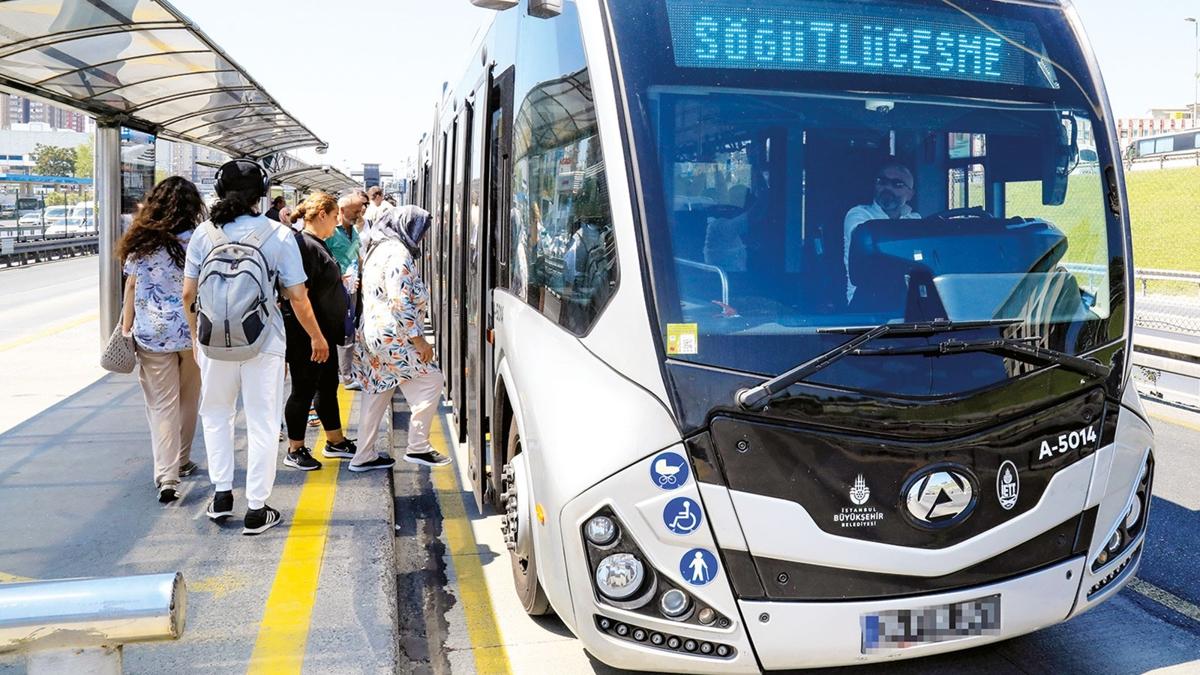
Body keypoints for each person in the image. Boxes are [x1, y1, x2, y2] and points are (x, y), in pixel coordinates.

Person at [182, 159, 327, 536]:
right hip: (264, 341)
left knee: (216, 415)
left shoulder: (204, 234)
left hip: (213, 341)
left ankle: (221, 495)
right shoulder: (278, 235)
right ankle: (257, 508)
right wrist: (316, 335)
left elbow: (188, 294)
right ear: (261, 196)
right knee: (263, 422)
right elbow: (297, 296)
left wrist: (198, 338)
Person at [117, 176, 206, 504]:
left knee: (161, 405)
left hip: (152, 335)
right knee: (188, 399)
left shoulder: (141, 240)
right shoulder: (199, 238)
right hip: (191, 332)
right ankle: (182, 460)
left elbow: (130, 287)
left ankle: (167, 476)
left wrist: (126, 331)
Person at [349, 205, 450, 471]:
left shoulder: (378, 248)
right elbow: (400, 300)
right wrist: (419, 341)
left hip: (372, 334)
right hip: (394, 336)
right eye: (421, 230)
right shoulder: (398, 253)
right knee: (431, 380)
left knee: (377, 391)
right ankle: (418, 447)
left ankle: (363, 456)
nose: (423, 236)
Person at [281, 193, 357, 470]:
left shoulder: (317, 244)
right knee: (302, 389)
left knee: (326, 386)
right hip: (309, 336)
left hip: (323, 333)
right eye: (335, 216)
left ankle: (335, 440)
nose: (338, 223)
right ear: (322, 214)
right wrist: (315, 336)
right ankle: (295, 448)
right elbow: (301, 295)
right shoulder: (305, 246)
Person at [843, 161, 921, 303]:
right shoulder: (859, 215)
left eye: (897, 184)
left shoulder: (915, 219)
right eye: (882, 181)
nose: (887, 187)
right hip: (868, 300)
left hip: (908, 297)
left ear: (910, 194)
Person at [327, 193, 364, 386]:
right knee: (344, 329)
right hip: (338, 287)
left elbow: (355, 255)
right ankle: (346, 374)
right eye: (355, 211)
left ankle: (348, 370)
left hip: (354, 286)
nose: (359, 214)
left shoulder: (353, 231)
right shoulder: (331, 231)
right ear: (341, 210)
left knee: (351, 327)